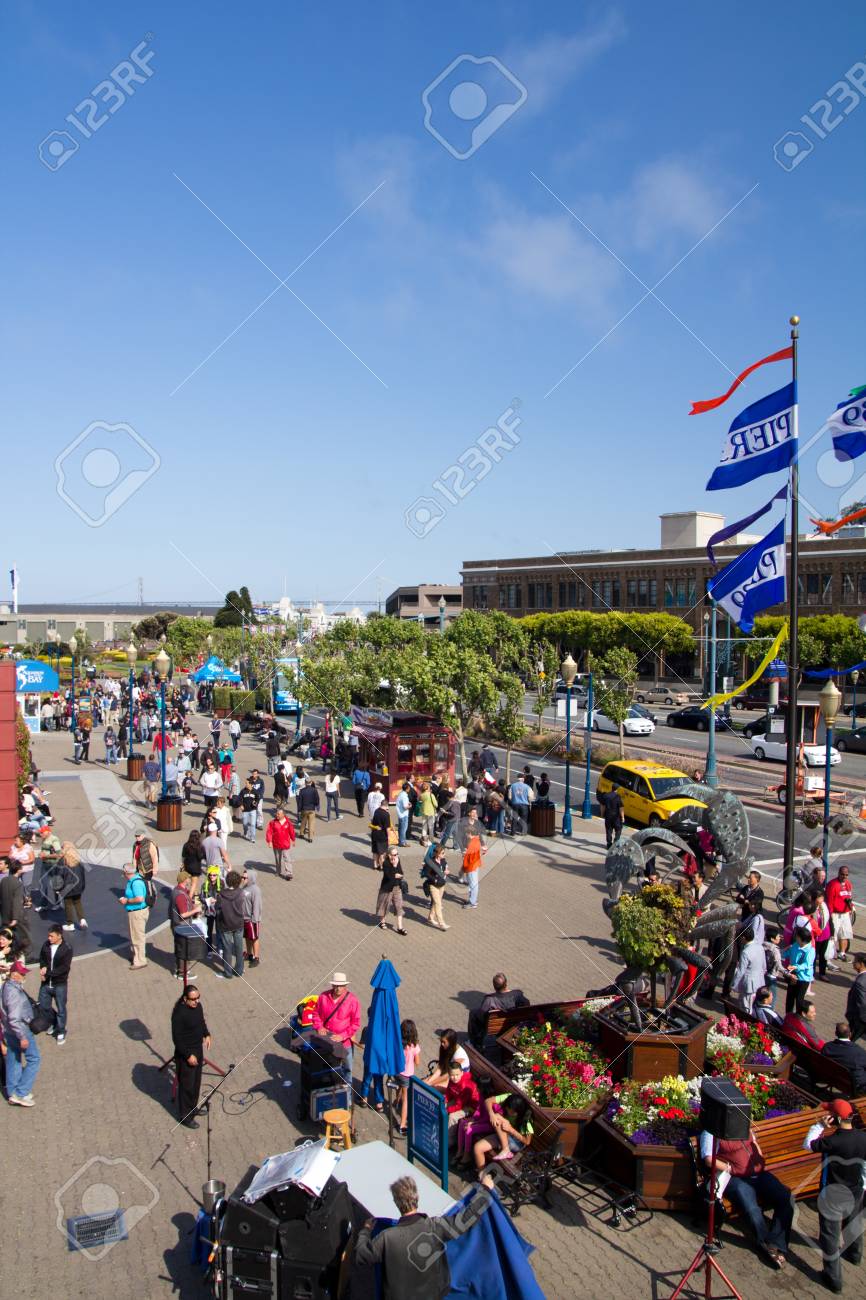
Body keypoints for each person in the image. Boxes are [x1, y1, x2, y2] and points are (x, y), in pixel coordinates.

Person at [354, 1174, 492, 1300]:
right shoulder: (434, 1228)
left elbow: (361, 1255)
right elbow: (467, 1218)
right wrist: (485, 1190)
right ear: (417, 1197)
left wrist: (365, 1231)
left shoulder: (386, 1238)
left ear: (396, 1202)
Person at [699, 1124, 793, 1269]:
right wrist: (730, 1169)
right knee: (752, 1208)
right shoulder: (711, 1131)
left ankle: (775, 1243)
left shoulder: (742, 1124)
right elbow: (708, 1159)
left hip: (758, 1174)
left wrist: (760, 1159)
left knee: (785, 1198)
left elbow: (754, 1143)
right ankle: (765, 1244)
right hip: (735, 1178)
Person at [804, 1099, 866, 1293]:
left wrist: (819, 1125)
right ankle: (854, 1256)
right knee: (853, 1223)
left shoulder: (833, 1141)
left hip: (833, 1194)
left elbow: (808, 1145)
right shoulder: (862, 1137)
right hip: (855, 1190)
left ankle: (834, 1280)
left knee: (830, 1237)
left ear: (836, 1118)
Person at [311, 972, 361, 1090]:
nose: (338, 988)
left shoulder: (352, 1000)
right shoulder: (323, 997)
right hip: (327, 1042)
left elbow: (355, 1023)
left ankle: (347, 1093)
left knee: (347, 1069)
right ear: (332, 985)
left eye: (340, 985)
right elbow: (316, 1014)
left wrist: (342, 1036)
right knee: (328, 1068)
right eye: (336, 985)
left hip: (345, 1044)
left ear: (345, 986)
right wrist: (319, 1027)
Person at [171, 984, 211, 1129]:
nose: (196, 1001)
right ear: (185, 999)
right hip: (185, 1054)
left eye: (198, 998)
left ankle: (193, 1108)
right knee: (187, 1086)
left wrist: (206, 1034)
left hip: (197, 1050)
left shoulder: (198, 1007)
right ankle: (185, 1116)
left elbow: (201, 1022)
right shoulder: (179, 1014)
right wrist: (188, 1056)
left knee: (196, 1083)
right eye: (193, 999)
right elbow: (177, 1039)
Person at [0, 960, 40, 1105]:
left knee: (13, 1059)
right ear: (15, 975)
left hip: (8, 1031)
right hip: (20, 1031)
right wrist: (22, 1037)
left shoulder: (5, 986)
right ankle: (21, 1092)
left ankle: (12, 1092)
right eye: (22, 974)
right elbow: (14, 1018)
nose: (24, 976)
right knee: (34, 1059)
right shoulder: (14, 993)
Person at [468, 973, 529, 1049]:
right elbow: (527, 1005)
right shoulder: (517, 994)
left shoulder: (490, 1000)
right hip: (514, 1024)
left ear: (494, 986)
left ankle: (476, 1042)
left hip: (496, 1027)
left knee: (474, 1013)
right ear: (506, 984)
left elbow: (482, 1015)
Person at [38, 923, 72, 1044]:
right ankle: (55, 1023)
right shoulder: (46, 945)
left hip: (59, 985)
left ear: (59, 936)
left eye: (51, 936)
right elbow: (42, 958)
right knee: (43, 1006)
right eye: (48, 936)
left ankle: (61, 1030)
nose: (49, 938)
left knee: (61, 1008)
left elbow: (64, 968)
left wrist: (48, 974)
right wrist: (42, 967)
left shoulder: (66, 948)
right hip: (46, 984)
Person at [730, 915, 767, 1014]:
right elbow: (764, 967)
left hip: (749, 984)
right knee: (753, 1006)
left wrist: (734, 984)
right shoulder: (760, 947)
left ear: (744, 938)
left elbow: (741, 971)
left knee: (746, 1008)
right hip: (759, 982)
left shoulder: (746, 952)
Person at [170, 873, 202, 979]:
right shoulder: (180, 895)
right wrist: (196, 910)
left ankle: (179, 969)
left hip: (176, 924)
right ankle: (182, 972)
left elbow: (190, 897)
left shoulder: (177, 890)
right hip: (182, 925)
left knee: (180, 947)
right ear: (185, 880)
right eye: (188, 878)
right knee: (183, 949)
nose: (190, 879)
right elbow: (183, 914)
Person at [214, 871, 246, 979]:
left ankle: (227, 973)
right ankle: (239, 970)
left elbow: (217, 909)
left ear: (227, 881)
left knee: (227, 949)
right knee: (239, 948)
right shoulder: (241, 893)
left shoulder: (221, 895)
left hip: (225, 924)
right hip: (238, 924)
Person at [822, 1021, 866, 1093]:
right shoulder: (859, 1052)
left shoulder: (827, 1047)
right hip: (856, 1086)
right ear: (850, 1034)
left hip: (832, 1078)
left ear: (836, 1033)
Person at [457, 807, 487, 910]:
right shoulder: (465, 826)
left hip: (471, 860)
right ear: (469, 813)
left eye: (476, 813)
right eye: (473, 812)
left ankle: (473, 902)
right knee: (472, 881)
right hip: (471, 857)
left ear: (469, 834)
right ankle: (472, 899)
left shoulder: (476, 829)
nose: (475, 814)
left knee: (473, 882)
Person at [120, 862, 149, 969]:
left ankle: (140, 960)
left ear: (126, 872)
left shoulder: (135, 883)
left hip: (137, 912)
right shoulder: (135, 879)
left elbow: (139, 898)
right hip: (139, 911)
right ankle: (137, 956)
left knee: (137, 937)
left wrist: (126, 900)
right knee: (137, 935)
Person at [0, 862, 31, 959]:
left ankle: (8, 955)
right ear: (19, 870)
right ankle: (27, 956)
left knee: (7, 936)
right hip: (16, 915)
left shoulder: (4, 880)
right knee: (24, 935)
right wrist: (15, 918)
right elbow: (17, 902)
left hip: (5, 914)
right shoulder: (18, 883)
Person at [783, 925, 815, 1015]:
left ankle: (798, 1018)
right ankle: (788, 1017)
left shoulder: (810, 950)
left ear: (801, 939)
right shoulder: (795, 945)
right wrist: (783, 951)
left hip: (803, 978)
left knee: (799, 1000)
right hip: (793, 976)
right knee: (790, 998)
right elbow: (787, 954)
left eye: (797, 936)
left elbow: (807, 964)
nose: (795, 937)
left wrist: (796, 967)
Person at [827, 865, 856, 962]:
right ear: (838, 873)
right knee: (832, 936)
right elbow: (829, 902)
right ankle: (828, 957)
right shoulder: (832, 885)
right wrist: (829, 915)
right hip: (835, 914)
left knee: (844, 934)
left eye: (846, 875)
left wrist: (851, 907)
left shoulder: (848, 884)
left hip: (845, 914)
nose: (844, 876)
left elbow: (849, 897)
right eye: (842, 874)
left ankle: (842, 953)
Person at [376, 847, 407, 936]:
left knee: (399, 906)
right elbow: (389, 877)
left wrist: (397, 872)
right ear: (389, 855)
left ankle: (400, 927)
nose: (396, 856)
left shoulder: (397, 860)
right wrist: (394, 867)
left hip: (397, 887)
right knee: (384, 905)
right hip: (387, 888)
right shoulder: (385, 863)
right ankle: (382, 922)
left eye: (397, 854)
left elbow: (401, 873)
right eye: (394, 854)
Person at [397, 1019, 421, 1134]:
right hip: (407, 1074)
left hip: (396, 1071)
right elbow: (417, 1062)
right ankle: (402, 1124)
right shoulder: (414, 1046)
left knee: (399, 1086)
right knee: (406, 1099)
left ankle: (396, 1101)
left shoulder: (397, 1043)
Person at [421, 843, 449, 930]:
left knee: (436, 902)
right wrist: (434, 879)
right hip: (433, 886)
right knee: (438, 904)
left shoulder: (443, 860)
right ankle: (442, 923)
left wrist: (446, 871)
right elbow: (426, 873)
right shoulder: (431, 862)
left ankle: (430, 918)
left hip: (442, 885)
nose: (444, 855)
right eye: (443, 853)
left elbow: (445, 868)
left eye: (444, 853)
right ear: (437, 854)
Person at [265, 807, 296, 880]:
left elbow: (291, 831)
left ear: (283, 814)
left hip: (285, 844)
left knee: (287, 858)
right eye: (276, 813)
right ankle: (278, 871)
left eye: (278, 814)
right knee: (277, 859)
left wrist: (293, 839)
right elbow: (269, 832)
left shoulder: (288, 822)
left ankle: (289, 873)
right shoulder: (273, 822)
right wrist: (269, 841)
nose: (276, 815)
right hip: (276, 844)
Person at [242, 869, 262, 967]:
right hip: (244, 918)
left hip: (252, 919)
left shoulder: (255, 890)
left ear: (250, 878)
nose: (243, 879)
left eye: (245, 877)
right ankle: (249, 954)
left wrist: (255, 920)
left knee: (254, 938)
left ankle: (256, 957)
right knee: (247, 937)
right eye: (243, 877)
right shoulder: (245, 887)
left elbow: (257, 906)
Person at [846, 954, 866, 1042]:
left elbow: (862, 1003)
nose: (853, 963)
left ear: (861, 964)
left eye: (855, 961)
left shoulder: (860, 982)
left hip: (860, 1019)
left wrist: (860, 1020)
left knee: (848, 1041)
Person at [181, 830, 206, 898]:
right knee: (194, 883)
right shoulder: (200, 846)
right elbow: (202, 856)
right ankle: (190, 897)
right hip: (196, 867)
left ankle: (195, 894)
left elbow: (183, 856)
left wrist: (182, 864)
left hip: (187, 866)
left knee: (188, 882)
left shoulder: (186, 845)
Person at [600, 784, 624, 848]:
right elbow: (621, 808)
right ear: (617, 789)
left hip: (608, 816)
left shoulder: (606, 796)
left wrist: (602, 814)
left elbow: (602, 806)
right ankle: (615, 842)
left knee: (608, 830)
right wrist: (623, 817)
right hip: (616, 817)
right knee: (618, 829)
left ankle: (609, 844)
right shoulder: (618, 797)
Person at [370, 801, 391, 871]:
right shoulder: (386, 814)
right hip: (382, 836)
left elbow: (373, 822)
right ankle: (381, 866)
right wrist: (389, 838)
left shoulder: (376, 811)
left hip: (374, 834)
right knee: (382, 852)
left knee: (375, 851)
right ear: (387, 806)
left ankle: (375, 865)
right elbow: (387, 828)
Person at [298, 777, 320, 842]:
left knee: (303, 822)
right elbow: (317, 799)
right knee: (311, 823)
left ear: (305, 782)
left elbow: (300, 801)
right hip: (312, 809)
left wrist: (299, 810)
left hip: (304, 809)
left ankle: (301, 834)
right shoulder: (314, 790)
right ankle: (310, 838)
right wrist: (316, 804)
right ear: (311, 782)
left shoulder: (302, 791)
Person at [417, 782, 438, 846]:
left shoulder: (422, 795)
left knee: (424, 826)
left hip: (423, 812)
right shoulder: (431, 795)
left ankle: (424, 838)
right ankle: (431, 839)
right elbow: (436, 805)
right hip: (431, 812)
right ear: (428, 788)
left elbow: (419, 800)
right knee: (431, 827)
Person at [240, 777, 259, 843]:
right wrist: (241, 805)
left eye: (246, 783)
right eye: (245, 783)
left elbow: (257, 799)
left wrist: (255, 803)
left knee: (253, 824)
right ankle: (245, 832)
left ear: (250, 784)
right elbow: (240, 799)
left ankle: (252, 838)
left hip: (253, 810)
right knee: (245, 823)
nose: (245, 784)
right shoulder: (243, 791)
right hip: (245, 810)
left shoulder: (255, 791)